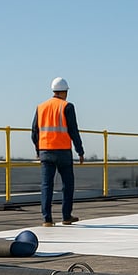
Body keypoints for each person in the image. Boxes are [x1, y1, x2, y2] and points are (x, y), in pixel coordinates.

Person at [31, 77, 85, 227]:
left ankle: (46, 219)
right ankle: (66, 216)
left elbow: (34, 132)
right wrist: (80, 151)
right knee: (67, 185)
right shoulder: (67, 106)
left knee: (46, 185)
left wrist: (38, 150)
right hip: (63, 152)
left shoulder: (41, 107)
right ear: (65, 92)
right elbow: (73, 131)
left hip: (46, 152)